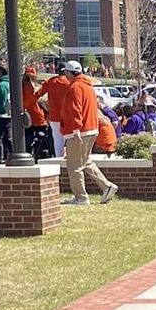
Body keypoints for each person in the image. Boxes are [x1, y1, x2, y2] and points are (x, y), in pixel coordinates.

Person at [61, 64, 118, 205]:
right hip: (91, 129)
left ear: (70, 72)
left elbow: (75, 109)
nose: (65, 75)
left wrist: (75, 129)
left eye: (66, 72)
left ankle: (81, 197)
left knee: (74, 166)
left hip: (80, 131)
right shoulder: (88, 86)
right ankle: (107, 186)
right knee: (85, 162)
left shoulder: (75, 88)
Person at [45, 63, 72, 158]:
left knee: (57, 140)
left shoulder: (50, 81)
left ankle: (59, 158)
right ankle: (70, 158)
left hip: (54, 116)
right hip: (67, 115)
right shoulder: (70, 83)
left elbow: (37, 94)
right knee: (70, 138)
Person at [22, 67, 47, 156]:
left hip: (26, 118)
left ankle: (29, 154)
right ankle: (39, 155)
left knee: (27, 140)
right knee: (41, 140)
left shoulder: (20, 88)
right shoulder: (35, 88)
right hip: (38, 117)